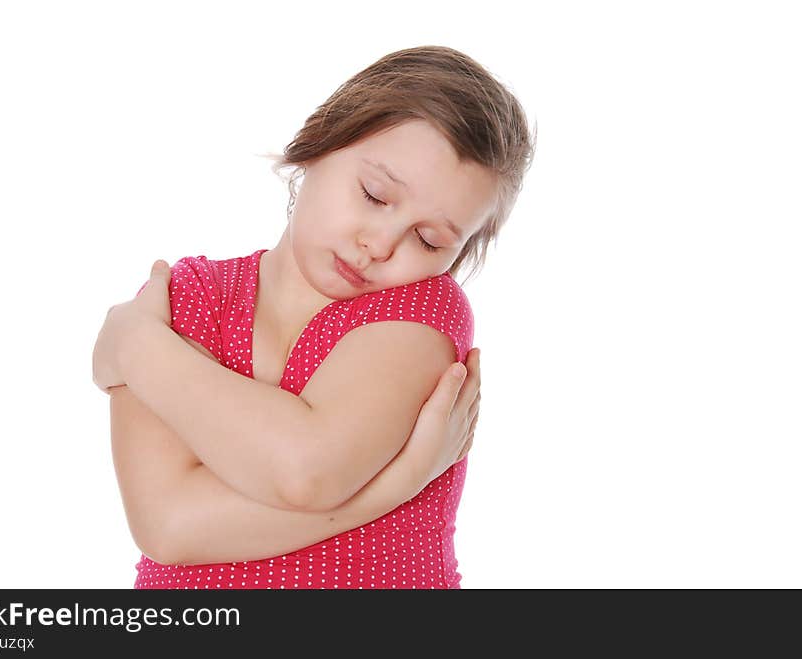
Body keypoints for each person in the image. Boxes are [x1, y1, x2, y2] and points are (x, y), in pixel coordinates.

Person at [92, 45, 535, 589]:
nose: (378, 244)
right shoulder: (185, 296)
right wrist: (398, 481)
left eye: (427, 239)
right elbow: (168, 527)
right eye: (374, 195)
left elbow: (307, 470)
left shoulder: (424, 311)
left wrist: (139, 349)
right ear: (320, 141)